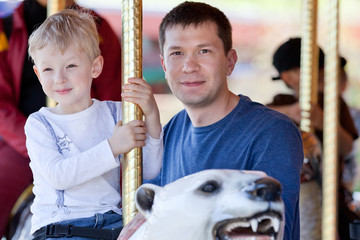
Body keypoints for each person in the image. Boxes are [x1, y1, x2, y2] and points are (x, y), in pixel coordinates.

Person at [137, 2, 303, 240]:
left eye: (204, 51)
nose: (189, 66)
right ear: (164, 65)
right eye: (177, 53)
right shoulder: (172, 130)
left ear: (230, 61)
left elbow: (271, 231)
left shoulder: (272, 132)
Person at [25, 9, 163, 239]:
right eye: (48, 69)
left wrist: (152, 116)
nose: (59, 78)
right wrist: (112, 147)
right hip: (61, 227)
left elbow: (148, 169)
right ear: (38, 74)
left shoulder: (116, 113)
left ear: (95, 67)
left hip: (111, 222)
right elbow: (59, 176)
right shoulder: (40, 123)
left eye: (70, 66)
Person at [0, 0, 122, 237]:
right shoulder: (4, 29)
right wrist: (37, 143)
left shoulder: (98, 28)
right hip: (22, 140)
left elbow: (111, 90)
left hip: (92, 134)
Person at [268, 37, 359, 240]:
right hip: (289, 195)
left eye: (321, 68)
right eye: (313, 68)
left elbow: (348, 147)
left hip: (331, 195)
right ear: (288, 77)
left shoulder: (334, 103)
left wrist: (325, 123)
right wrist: (289, 111)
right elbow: (253, 116)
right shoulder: (279, 103)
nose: (321, 73)